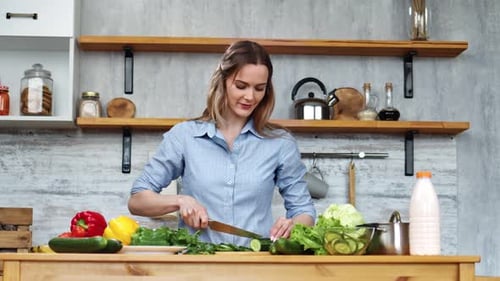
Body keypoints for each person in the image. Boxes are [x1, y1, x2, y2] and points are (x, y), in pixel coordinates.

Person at [128, 40, 316, 246]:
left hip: (257, 265)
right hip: (198, 266)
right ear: (223, 81)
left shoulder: (280, 144)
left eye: (259, 88)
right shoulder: (184, 136)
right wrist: (180, 201)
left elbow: (303, 210)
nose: (250, 97)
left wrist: (293, 226)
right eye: (241, 86)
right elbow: (137, 200)